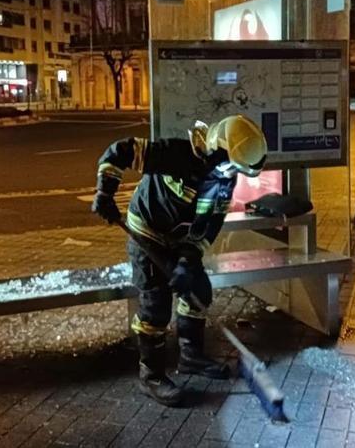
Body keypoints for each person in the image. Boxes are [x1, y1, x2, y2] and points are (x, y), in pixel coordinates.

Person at [91, 114, 267, 407]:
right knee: (155, 306)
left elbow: (208, 225)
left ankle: (191, 356)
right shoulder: (176, 154)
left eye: (234, 168)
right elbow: (119, 151)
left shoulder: (225, 178)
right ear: (216, 148)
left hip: (180, 242)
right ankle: (150, 375)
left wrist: (188, 260)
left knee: (199, 291)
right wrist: (104, 193)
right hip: (146, 234)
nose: (229, 172)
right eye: (228, 164)